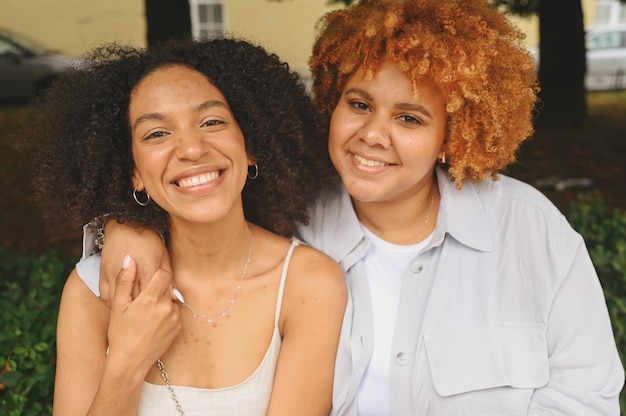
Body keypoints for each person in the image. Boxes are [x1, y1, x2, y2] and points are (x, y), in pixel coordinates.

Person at [80, 0, 625, 414]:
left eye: (409, 118)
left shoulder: (529, 230)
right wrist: (131, 228)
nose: (372, 135)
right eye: (359, 104)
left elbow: (587, 396)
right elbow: (197, 206)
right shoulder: (288, 213)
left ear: (451, 136)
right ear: (332, 102)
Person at [22, 37, 347, 416]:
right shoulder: (92, 292)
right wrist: (126, 362)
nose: (191, 148)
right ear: (134, 174)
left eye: (212, 121)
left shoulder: (308, 285)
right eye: (157, 133)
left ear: (251, 145)